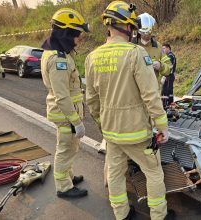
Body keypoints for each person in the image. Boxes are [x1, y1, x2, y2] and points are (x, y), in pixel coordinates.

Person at [85, 1, 174, 219]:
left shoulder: (92, 57)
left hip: (111, 133)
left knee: (115, 173)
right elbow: (151, 95)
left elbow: (92, 101)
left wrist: (102, 124)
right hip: (137, 133)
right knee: (153, 172)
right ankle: (159, 215)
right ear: (127, 26)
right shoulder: (136, 54)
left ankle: (122, 214)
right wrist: (162, 126)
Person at [41, 8, 89, 198]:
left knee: (70, 147)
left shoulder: (59, 52)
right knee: (65, 149)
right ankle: (63, 186)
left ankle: (67, 176)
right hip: (65, 114)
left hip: (66, 113)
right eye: (78, 35)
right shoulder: (57, 59)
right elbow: (62, 96)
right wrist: (76, 121)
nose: (80, 39)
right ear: (67, 33)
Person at [133, 13, 172, 88]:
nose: (147, 34)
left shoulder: (158, 46)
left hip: (153, 91)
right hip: (135, 92)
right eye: (144, 33)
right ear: (139, 32)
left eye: (149, 32)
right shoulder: (132, 46)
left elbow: (169, 68)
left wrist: (161, 66)